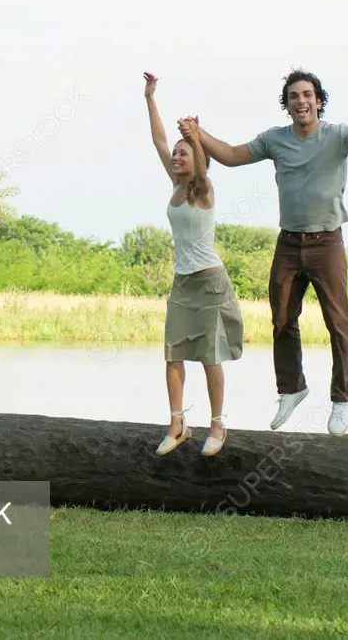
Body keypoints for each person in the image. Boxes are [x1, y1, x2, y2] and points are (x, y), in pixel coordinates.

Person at [177, 68, 348, 437]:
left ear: (318, 101)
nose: (301, 101)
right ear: (287, 105)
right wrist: (198, 134)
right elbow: (229, 155)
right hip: (289, 243)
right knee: (281, 319)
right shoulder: (274, 141)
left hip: (327, 243)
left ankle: (341, 400)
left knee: (338, 323)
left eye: (307, 95)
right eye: (294, 96)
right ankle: (292, 389)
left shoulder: (337, 136)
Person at [143, 71, 244, 457]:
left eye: (183, 153)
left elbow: (200, 162)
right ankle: (177, 423)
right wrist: (151, 98)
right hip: (182, 285)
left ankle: (217, 426)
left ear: (196, 160)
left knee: (209, 357)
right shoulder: (174, 186)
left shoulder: (203, 189)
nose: (176, 156)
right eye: (176, 154)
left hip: (211, 283)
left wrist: (196, 135)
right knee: (172, 354)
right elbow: (158, 139)